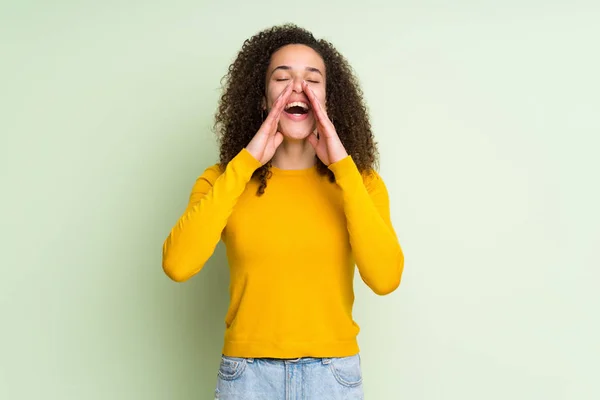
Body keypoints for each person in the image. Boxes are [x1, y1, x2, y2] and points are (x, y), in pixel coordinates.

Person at [162, 23, 404, 400]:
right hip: (247, 377)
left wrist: (342, 165)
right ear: (261, 98)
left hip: (334, 376)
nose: (298, 88)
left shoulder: (361, 183)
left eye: (313, 79)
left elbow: (385, 278)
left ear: (329, 99)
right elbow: (178, 265)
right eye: (282, 77)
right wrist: (245, 163)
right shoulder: (221, 181)